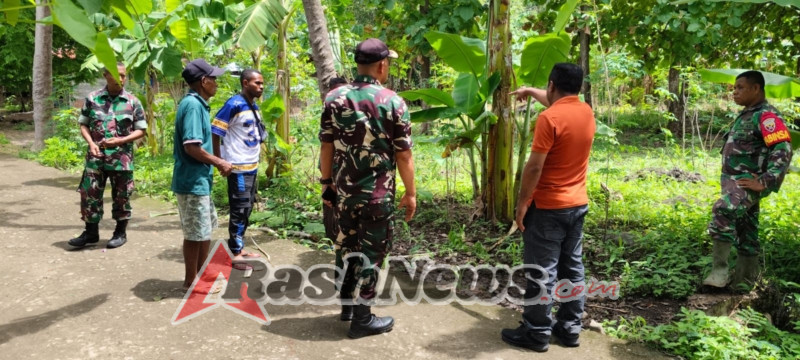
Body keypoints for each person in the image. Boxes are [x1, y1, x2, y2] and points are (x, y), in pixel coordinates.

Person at [318, 38, 416, 339]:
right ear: (382, 65)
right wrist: (410, 193)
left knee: (346, 246)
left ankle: (347, 306)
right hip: (377, 195)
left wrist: (326, 184)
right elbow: (403, 154)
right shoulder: (393, 102)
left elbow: (326, 146)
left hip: (344, 193)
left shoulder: (334, 98)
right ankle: (362, 317)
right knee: (372, 254)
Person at [502, 63, 595, 352]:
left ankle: (537, 332)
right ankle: (569, 329)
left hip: (548, 208)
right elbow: (558, 104)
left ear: (552, 84)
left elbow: (534, 168)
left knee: (542, 271)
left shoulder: (548, 118)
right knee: (572, 268)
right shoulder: (585, 111)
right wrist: (530, 91)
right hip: (577, 204)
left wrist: (521, 205)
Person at [703, 70, 792, 290]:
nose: (735, 92)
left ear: (756, 89)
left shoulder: (766, 116)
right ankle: (745, 280)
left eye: (740, 87)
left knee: (723, 210)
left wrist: (766, 180)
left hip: (747, 183)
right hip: (734, 183)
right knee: (747, 229)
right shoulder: (748, 113)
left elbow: (783, 148)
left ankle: (718, 274)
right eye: (734, 88)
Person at [69, 62, 146, 249]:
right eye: (116, 74)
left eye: (123, 75)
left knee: (122, 195)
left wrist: (120, 140)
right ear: (106, 75)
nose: (121, 79)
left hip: (121, 159)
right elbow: (84, 124)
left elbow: (141, 130)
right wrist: (90, 143)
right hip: (96, 157)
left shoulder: (132, 101)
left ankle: (120, 233)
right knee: (90, 194)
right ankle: (91, 232)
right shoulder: (93, 98)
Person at [172, 59, 231, 290]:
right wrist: (219, 162)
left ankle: (202, 274)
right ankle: (190, 281)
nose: (216, 83)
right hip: (191, 180)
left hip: (199, 180)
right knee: (195, 232)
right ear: (204, 81)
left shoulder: (197, 104)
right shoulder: (194, 106)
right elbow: (191, 146)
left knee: (203, 229)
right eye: (214, 78)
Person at [211, 69, 265, 262]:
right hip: (238, 167)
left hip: (251, 166)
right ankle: (235, 252)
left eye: (261, 83)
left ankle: (238, 246)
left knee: (247, 207)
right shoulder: (233, 104)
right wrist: (220, 161)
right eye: (257, 83)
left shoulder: (253, 106)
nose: (261, 86)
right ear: (245, 83)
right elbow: (216, 131)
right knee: (240, 208)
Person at [321, 76, 348, 246]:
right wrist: (326, 180)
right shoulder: (329, 111)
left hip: (349, 177)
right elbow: (326, 147)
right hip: (332, 172)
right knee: (331, 211)